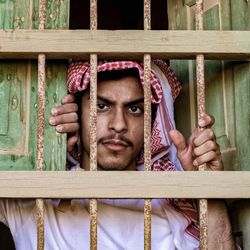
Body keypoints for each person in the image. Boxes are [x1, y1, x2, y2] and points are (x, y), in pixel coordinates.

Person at [0, 60, 235, 249]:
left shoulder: (167, 199)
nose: (119, 124)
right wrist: (40, 133)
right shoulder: (35, 193)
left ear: (151, 122)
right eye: (102, 107)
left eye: (134, 109)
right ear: (75, 114)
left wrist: (209, 188)